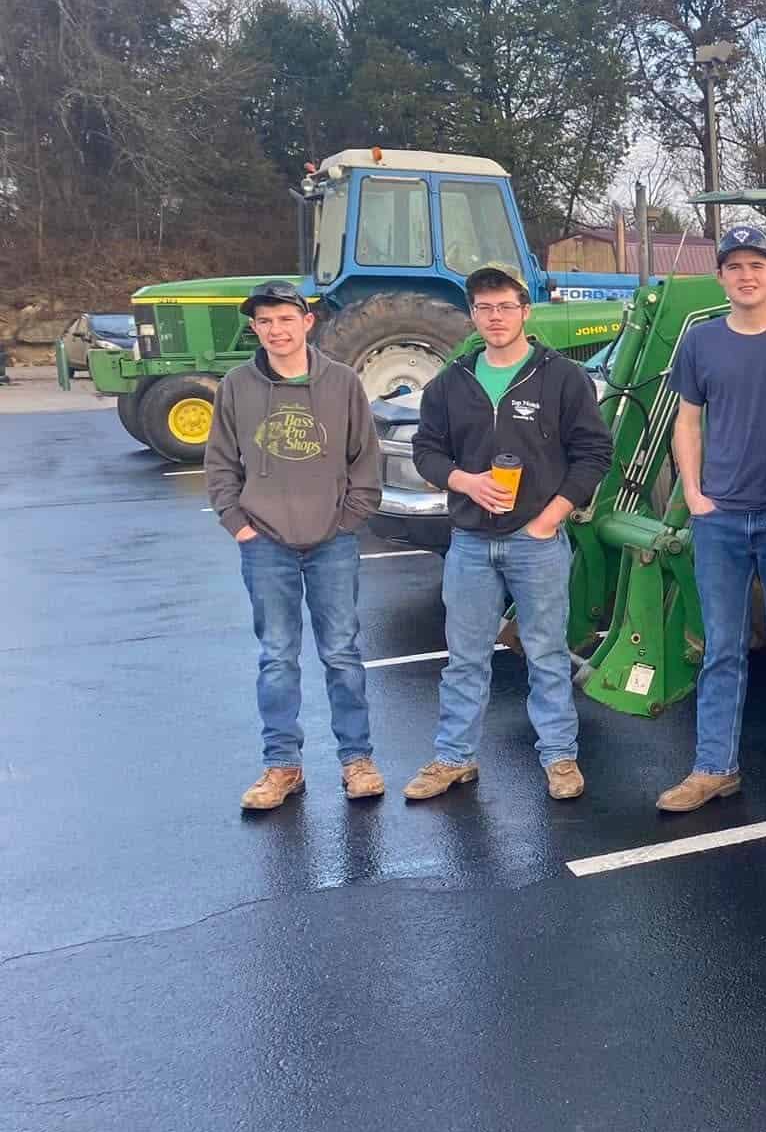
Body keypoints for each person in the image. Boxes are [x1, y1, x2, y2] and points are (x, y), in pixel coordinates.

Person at [406, 264, 614, 804]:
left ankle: (560, 757)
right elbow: (426, 450)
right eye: (484, 308)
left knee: (545, 653)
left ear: (525, 311)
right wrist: (464, 482)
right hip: (471, 542)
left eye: (505, 307)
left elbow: (594, 452)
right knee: (465, 656)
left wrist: (553, 515)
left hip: (536, 542)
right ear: (473, 315)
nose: (495, 318)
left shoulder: (561, 377)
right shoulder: (452, 382)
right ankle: (454, 758)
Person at [655, 225, 766, 813]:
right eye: (736, 266)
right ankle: (713, 768)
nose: (747, 275)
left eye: (758, 264)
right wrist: (694, 492)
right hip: (721, 521)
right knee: (721, 649)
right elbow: (686, 420)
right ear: (722, 276)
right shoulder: (702, 343)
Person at [205, 280, 382, 810]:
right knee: (277, 657)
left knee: (342, 654)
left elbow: (366, 462)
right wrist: (239, 524)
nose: (275, 330)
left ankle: (357, 760)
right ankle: (282, 767)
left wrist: (348, 522)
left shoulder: (343, 383)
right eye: (264, 322)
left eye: (285, 319)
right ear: (255, 328)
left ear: (307, 322)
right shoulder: (236, 386)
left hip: (332, 543)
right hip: (266, 545)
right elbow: (218, 463)